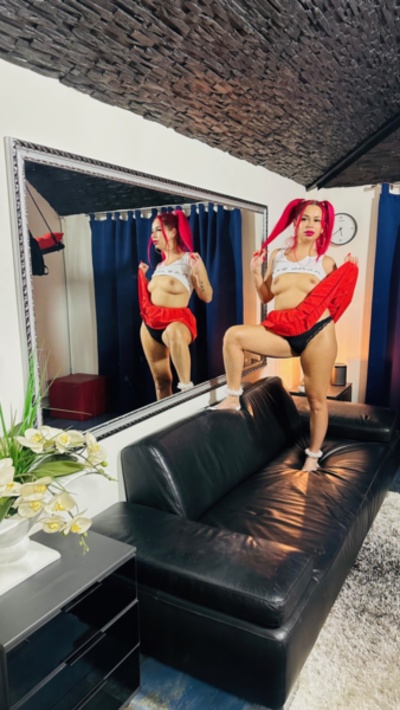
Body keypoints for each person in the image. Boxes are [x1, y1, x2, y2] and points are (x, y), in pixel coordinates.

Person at [215, 198, 359, 472]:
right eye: (305, 218)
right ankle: (233, 396)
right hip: (282, 330)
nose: (310, 224)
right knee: (234, 336)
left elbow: (339, 299)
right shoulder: (278, 256)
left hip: (318, 333)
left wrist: (350, 270)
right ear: (295, 221)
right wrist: (255, 273)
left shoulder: (326, 262)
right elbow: (266, 296)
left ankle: (313, 457)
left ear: (323, 228)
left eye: (317, 220)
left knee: (316, 400)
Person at [138, 209, 213, 400]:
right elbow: (153, 296)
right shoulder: (159, 266)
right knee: (161, 381)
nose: (153, 236)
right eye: (152, 232)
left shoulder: (190, 260)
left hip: (176, 323)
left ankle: (186, 394)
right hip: (150, 325)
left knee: (173, 333)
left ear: (172, 232)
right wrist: (143, 277)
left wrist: (198, 272)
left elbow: (207, 296)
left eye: (158, 230)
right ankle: (166, 416)